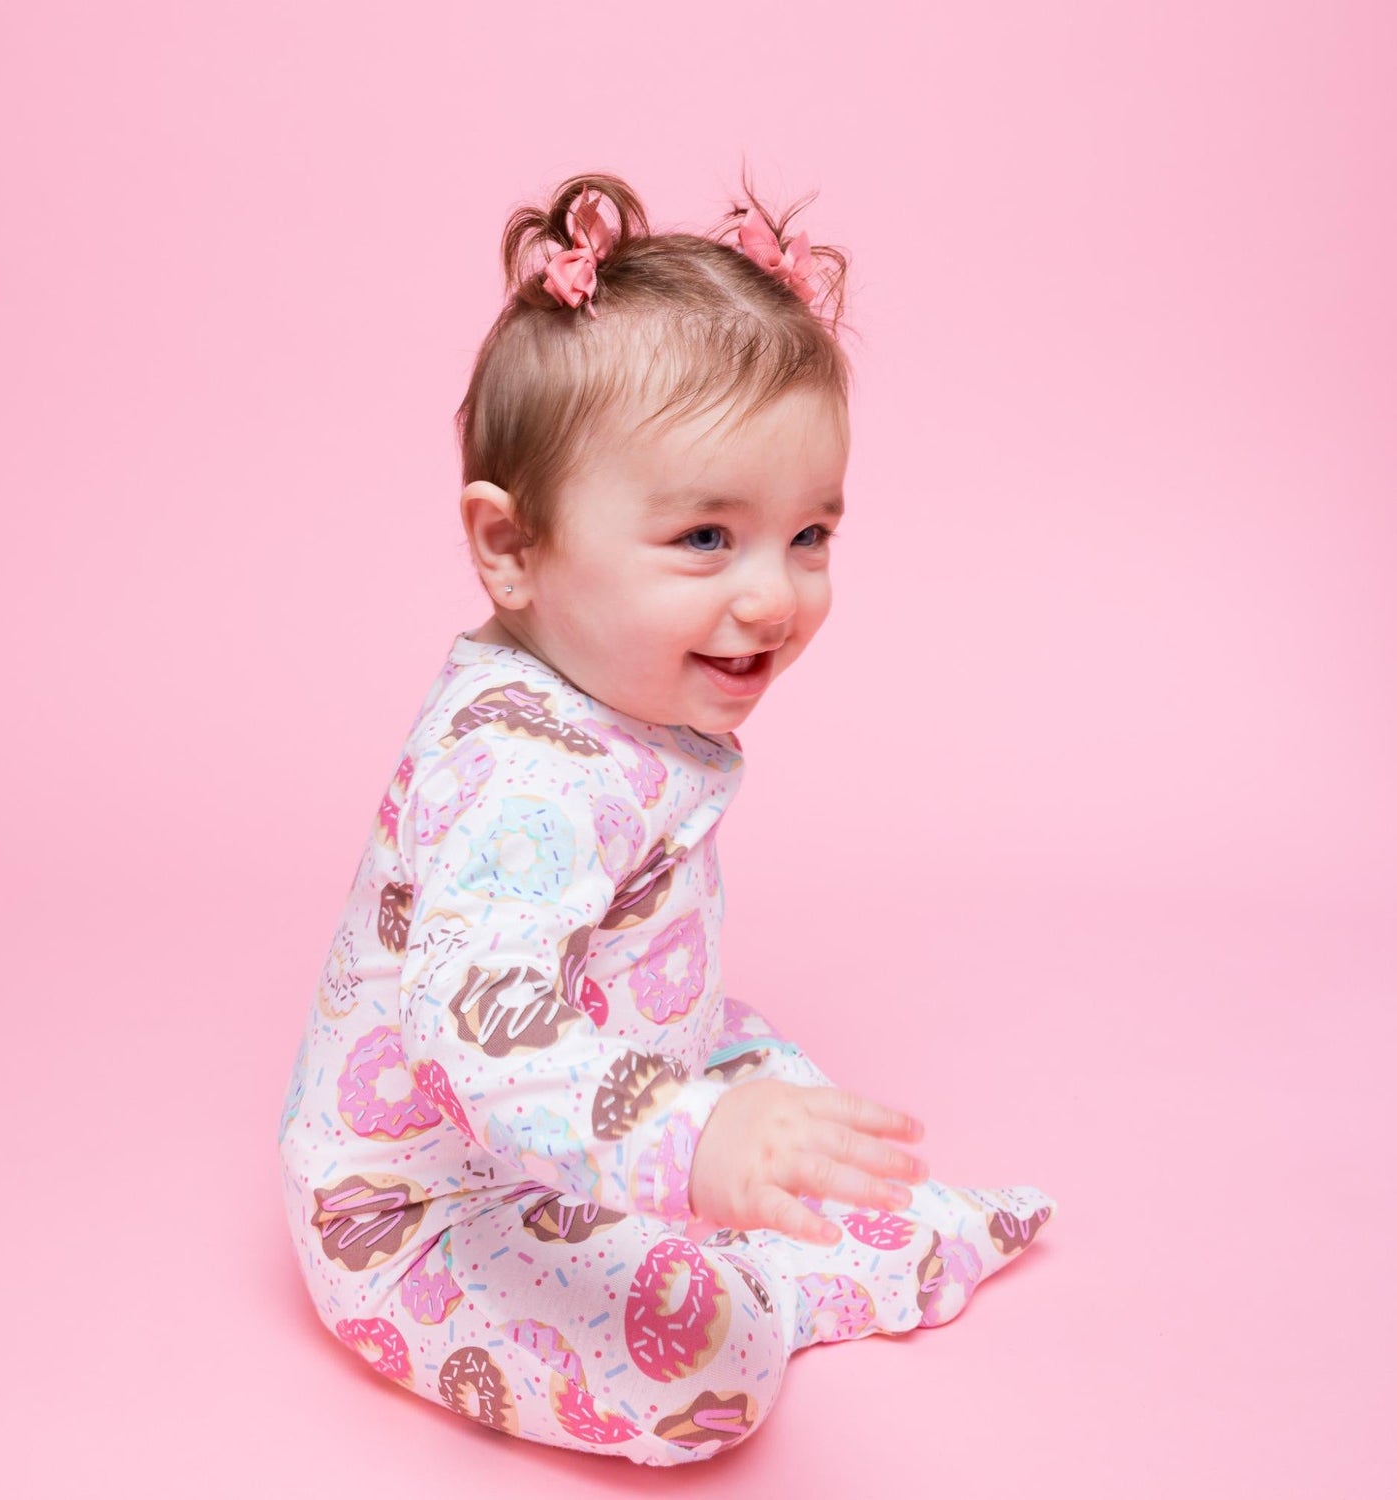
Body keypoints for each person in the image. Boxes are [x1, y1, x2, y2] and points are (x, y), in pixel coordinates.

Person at [277, 172, 1055, 1466]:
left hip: (613, 1073)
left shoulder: (611, 684)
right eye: (705, 537)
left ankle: (764, 1205)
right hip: (433, 1204)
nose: (774, 598)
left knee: (779, 1093)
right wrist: (690, 1139)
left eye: (808, 534)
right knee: (706, 1372)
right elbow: (481, 1034)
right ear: (510, 547)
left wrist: (710, 1118)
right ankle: (782, 1277)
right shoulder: (519, 781)